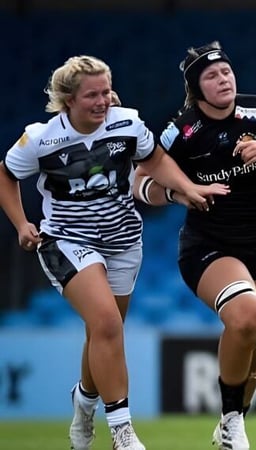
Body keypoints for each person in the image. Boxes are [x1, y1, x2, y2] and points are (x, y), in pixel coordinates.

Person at [0, 55, 228, 450]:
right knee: (107, 323)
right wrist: (22, 223)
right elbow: (5, 173)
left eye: (106, 91)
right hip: (66, 240)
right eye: (92, 95)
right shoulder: (41, 138)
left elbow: (154, 158)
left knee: (104, 332)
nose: (103, 100)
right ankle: (122, 432)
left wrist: (188, 189)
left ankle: (84, 402)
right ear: (68, 100)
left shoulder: (127, 123)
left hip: (123, 240)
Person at [133, 41, 256, 450]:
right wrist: (181, 194)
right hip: (207, 244)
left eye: (227, 72)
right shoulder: (181, 129)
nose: (223, 79)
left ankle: (230, 423)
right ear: (197, 90)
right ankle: (233, 421)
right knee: (245, 316)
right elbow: (139, 185)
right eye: (211, 76)